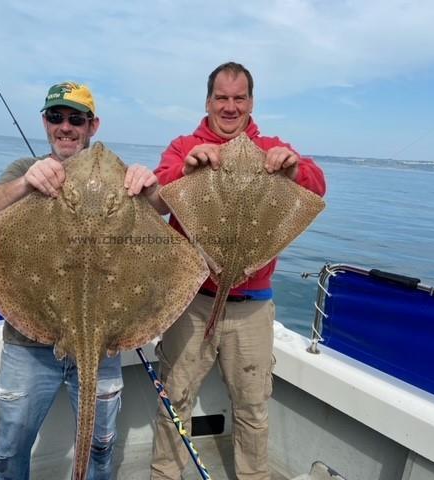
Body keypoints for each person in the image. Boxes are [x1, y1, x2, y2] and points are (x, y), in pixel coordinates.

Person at [0, 81, 162, 480]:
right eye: (56, 117)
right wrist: (27, 184)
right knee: (9, 452)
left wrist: (151, 186)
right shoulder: (27, 170)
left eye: (76, 119)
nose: (65, 127)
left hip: (102, 342)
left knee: (100, 448)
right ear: (44, 121)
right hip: (28, 343)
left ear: (93, 126)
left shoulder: (121, 179)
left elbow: (164, 220)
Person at [149, 62, 327, 479]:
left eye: (239, 98)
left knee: (252, 407)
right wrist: (187, 170)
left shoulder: (271, 147)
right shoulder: (184, 145)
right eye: (222, 98)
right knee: (174, 401)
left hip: (251, 306)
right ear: (208, 100)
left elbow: (317, 186)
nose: (230, 106)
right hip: (191, 302)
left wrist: (294, 166)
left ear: (251, 102)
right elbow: (155, 197)